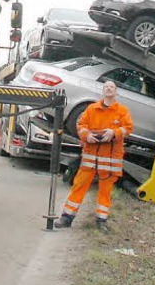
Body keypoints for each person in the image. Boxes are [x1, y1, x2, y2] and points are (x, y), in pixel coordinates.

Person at [54, 80, 134, 232]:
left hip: (110, 160)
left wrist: (114, 133)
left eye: (112, 87)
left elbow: (128, 128)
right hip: (90, 159)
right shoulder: (92, 109)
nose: (109, 88)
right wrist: (87, 136)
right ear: (103, 91)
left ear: (116, 92)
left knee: (105, 191)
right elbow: (81, 125)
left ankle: (101, 220)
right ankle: (67, 217)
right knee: (79, 186)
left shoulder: (122, 111)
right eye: (106, 87)